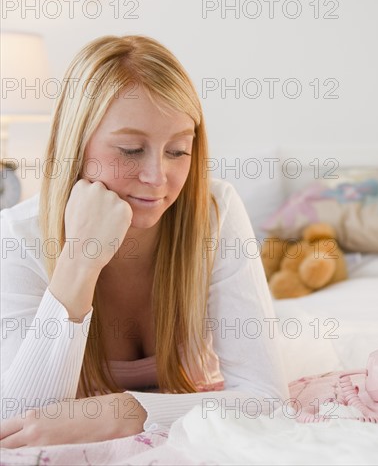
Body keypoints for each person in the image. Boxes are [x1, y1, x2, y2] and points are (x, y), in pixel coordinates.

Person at [0, 35, 289, 447]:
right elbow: (18, 425)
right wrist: (80, 261)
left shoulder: (213, 211)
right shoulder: (16, 235)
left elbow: (267, 398)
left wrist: (127, 411)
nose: (157, 178)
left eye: (177, 151)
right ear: (76, 146)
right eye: (131, 150)